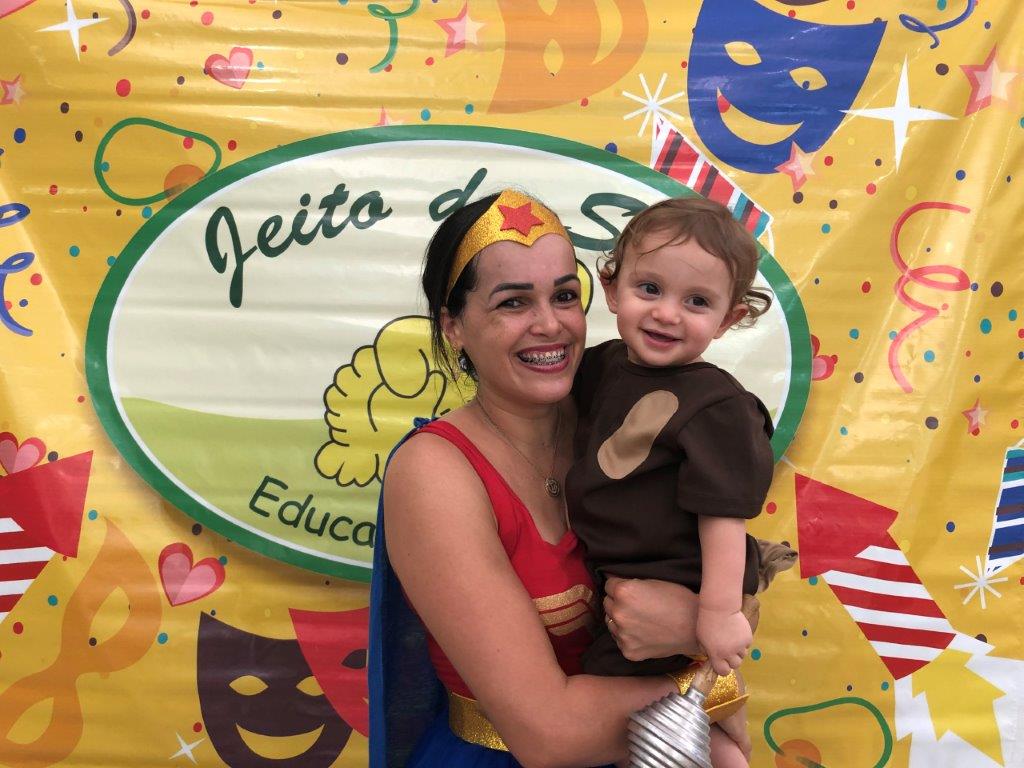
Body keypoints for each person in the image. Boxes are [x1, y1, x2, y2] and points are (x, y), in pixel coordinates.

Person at [368, 189, 754, 768]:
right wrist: (715, 688)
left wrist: (697, 622)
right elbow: (550, 736)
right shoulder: (435, 472)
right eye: (513, 302)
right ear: (453, 326)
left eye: (565, 295)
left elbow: (735, 579)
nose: (549, 325)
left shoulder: (621, 412)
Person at [567, 196, 789, 767]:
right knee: (654, 714)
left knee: (629, 710)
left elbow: (723, 517)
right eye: (650, 289)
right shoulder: (602, 366)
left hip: (682, 573)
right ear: (611, 288)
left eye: (697, 302)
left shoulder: (717, 406)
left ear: (728, 320)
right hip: (623, 575)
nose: (667, 314)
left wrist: (716, 613)